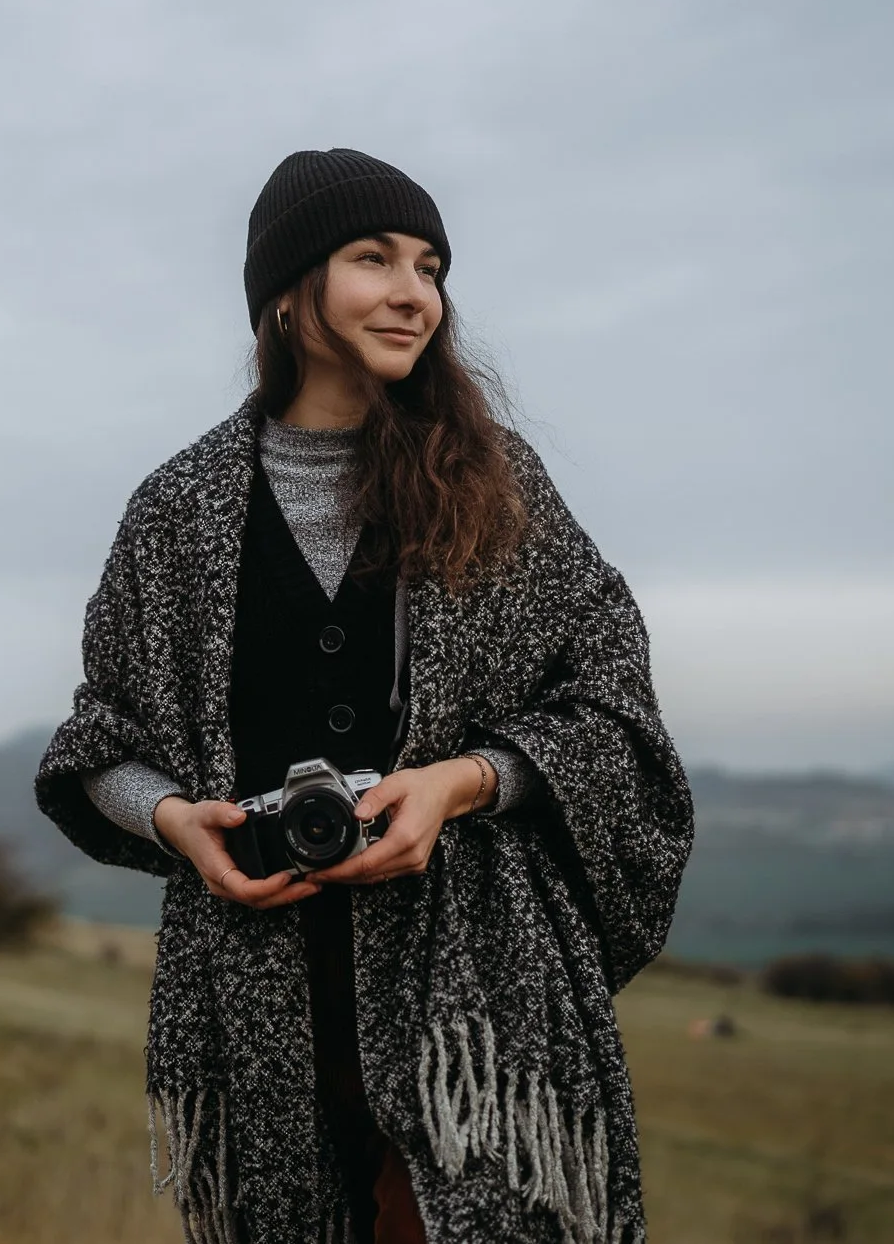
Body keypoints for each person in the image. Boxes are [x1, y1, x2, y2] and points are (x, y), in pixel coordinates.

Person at [35, 148, 693, 1244]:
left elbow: (613, 702)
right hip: (255, 1004)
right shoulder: (177, 512)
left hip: (479, 1010)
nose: (413, 294)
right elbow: (97, 743)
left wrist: (465, 783)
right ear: (288, 294)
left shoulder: (494, 483)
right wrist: (172, 822)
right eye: (372, 258)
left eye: (429, 267)